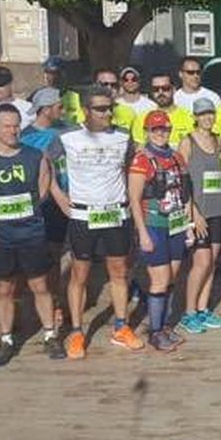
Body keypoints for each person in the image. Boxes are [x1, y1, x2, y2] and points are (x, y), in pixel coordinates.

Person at [50, 85, 140, 358]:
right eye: (100, 109)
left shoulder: (123, 136)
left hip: (116, 213)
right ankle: (77, 332)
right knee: (80, 274)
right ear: (86, 111)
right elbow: (44, 164)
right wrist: (58, 195)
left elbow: (130, 168)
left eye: (109, 108)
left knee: (119, 271)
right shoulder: (67, 137)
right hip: (82, 214)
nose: (107, 113)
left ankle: (121, 327)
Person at [0, 103, 58, 366]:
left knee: (40, 286)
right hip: (0, 237)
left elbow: (42, 191)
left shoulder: (35, 155)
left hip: (31, 233)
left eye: (16, 125)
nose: (13, 130)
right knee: (4, 289)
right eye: (6, 126)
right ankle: (6, 339)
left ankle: (50, 334)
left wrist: (25, 212)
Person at [127, 109, 193, 352]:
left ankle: (164, 326)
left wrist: (189, 225)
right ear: (147, 132)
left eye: (164, 129)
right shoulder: (142, 160)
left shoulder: (176, 157)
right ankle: (155, 332)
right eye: (155, 130)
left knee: (172, 277)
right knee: (160, 279)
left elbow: (185, 192)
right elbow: (134, 199)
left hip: (175, 223)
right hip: (153, 224)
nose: (160, 134)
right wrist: (142, 233)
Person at [19, 87, 76, 346]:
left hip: (67, 199)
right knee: (41, 255)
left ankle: (59, 300)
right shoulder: (26, 137)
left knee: (65, 254)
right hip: (40, 203)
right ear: (45, 109)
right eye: (59, 107)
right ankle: (39, 303)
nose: (63, 111)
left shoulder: (69, 130)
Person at [176, 98, 221, 333]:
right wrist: (192, 211)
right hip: (198, 210)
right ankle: (188, 312)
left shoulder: (219, 141)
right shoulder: (187, 142)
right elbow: (180, 180)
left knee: (212, 262)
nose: (208, 117)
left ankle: (202, 308)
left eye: (211, 113)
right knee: (201, 262)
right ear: (195, 117)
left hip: (218, 208)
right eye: (203, 114)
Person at [131, 72, 196, 145]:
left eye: (165, 88)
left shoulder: (190, 118)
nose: (160, 92)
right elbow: (139, 151)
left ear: (174, 89)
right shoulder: (142, 119)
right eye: (155, 89)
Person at [34, 56, 83, 125]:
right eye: (47, 72)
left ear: (63, 74)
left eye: (53, 73)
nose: (48, 76)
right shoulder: (38, 94)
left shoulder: (73, 95)